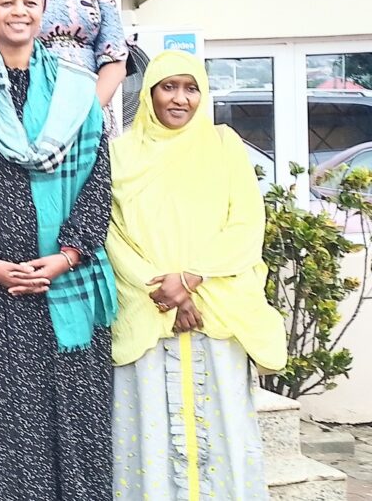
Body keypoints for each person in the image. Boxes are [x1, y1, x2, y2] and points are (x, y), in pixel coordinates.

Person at [0, 0, 116, 501]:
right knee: (2, 430)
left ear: (43, 15)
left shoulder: (76, 90)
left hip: (65, 281)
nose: (19, 12)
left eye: (29, 3)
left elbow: (97, 180)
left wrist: (67, 255)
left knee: (76, 428)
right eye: (6, 2)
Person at [108, 50, 287, 500]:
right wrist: (164, 291)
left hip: (216, 305)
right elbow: (113, 233)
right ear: (149, 93)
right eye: (169, 87)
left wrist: (190, 280)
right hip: (149, 308)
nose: (180, 99)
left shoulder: (223, 145)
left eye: (191, 89)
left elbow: (246, 223)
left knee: (222, 424)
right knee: (149, 432)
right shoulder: (121, 153)